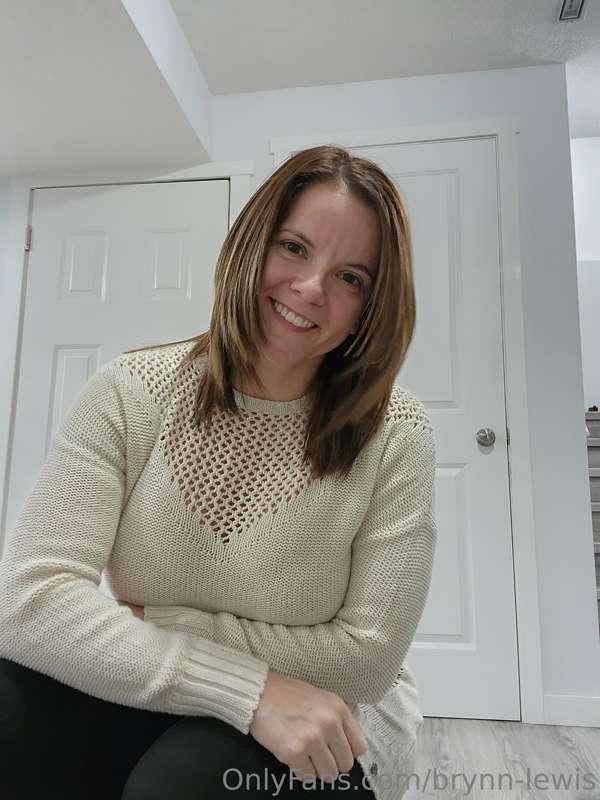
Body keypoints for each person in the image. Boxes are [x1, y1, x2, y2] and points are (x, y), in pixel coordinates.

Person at [0, 144, 437, 800]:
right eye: (293, 247)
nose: (311, 288)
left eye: (351, 278)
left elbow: (366, 660)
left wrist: (162, 620)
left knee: (184, 784)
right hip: (167, 687)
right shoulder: (131, 392)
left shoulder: (396, 432)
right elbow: (26, 601)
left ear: (371, 307)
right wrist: (247, 689)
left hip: (327, 716)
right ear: (250, 245)